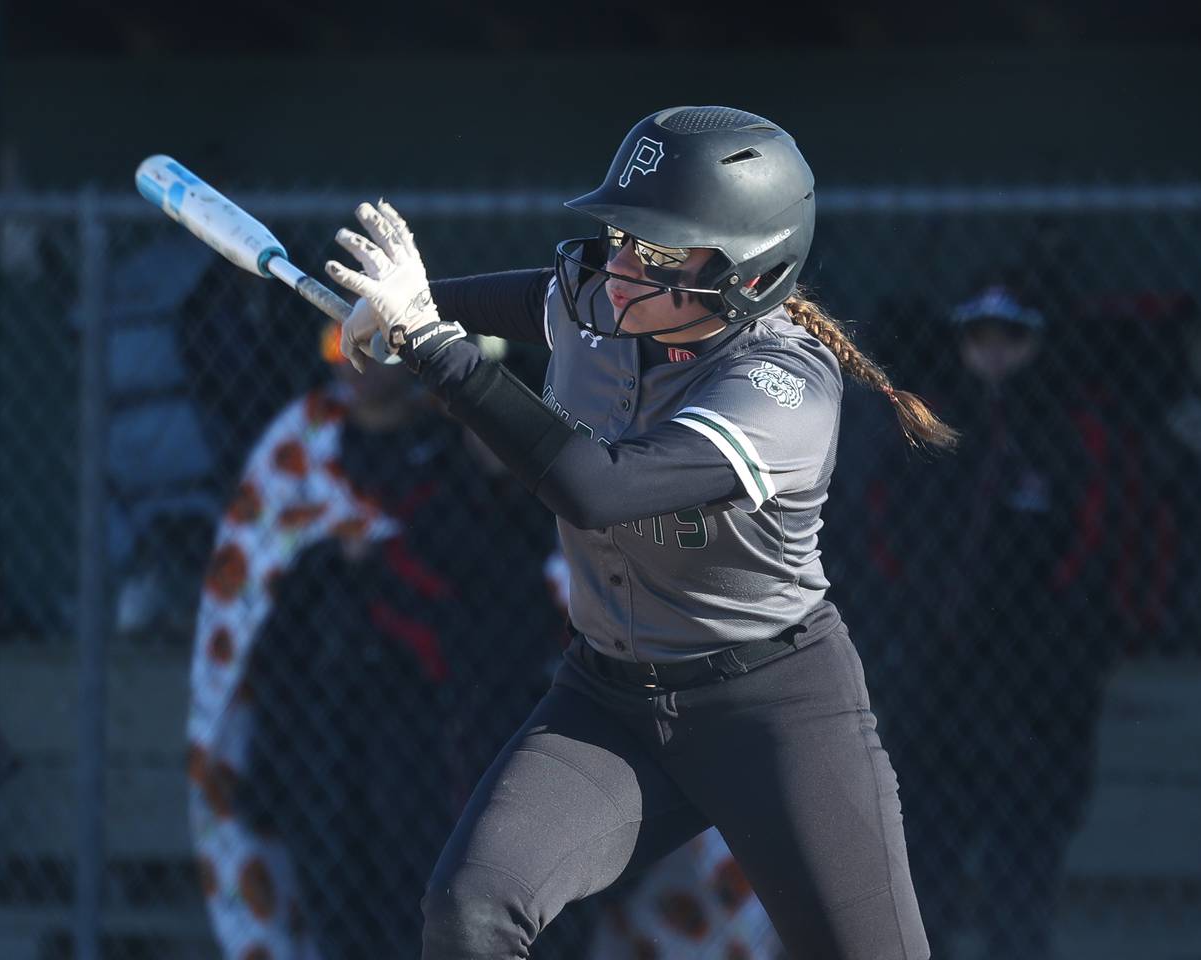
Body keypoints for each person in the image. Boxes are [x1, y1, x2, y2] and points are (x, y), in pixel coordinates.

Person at [324, 105, 955, 959]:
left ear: (749, 274)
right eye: (622, 234)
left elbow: (595, 487)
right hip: (608, 701)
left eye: (657, 250)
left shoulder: (784, 385)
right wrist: (408, 306)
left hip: (775, 710)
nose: (621, 265)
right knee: (470, 911)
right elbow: (537, 299)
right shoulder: (605, 300)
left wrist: (435, 344)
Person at [187, 324, 560, 959]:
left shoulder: (458, 454)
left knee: (428, 893)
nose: (354, 364)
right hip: (329, 724)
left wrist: (387, 556)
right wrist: (336, 560)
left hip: (441, 723)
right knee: (340, 899)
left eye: (376, 346)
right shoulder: (303, 446)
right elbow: (259, 582)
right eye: (335, 343)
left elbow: (506, 577)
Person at [841, 279, 1113, 959]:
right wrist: (909, 637)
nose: (993, 355)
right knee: (922, 880)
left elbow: (1094, 556)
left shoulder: (1070, 436)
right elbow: (880, 536)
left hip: (1036, 703)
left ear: (1038, 344)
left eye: (1011, 338)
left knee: (1018, 893)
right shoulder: (927, 424)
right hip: (934, 694)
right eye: (977, 337)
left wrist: (1054, 660)